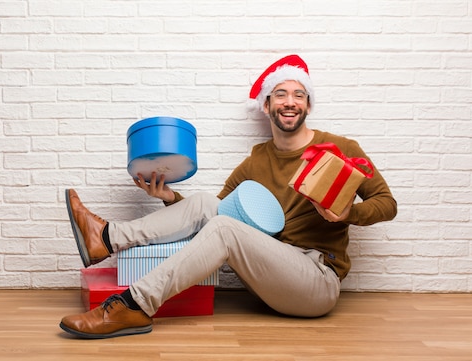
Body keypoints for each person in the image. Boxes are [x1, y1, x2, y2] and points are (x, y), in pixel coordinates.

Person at [59, 54, 397, 339]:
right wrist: (169, 197)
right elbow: (209, 216)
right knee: (209, 203)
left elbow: (387, 204)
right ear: (267, 106)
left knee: (223, 227)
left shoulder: (341, 149)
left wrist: (346, 215)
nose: (289, 102)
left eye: (298, 94)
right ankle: (105, 238)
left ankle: (134, 305)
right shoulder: (257, 159)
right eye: (280, 94)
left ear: (308, 104)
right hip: (271, 270)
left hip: (315, 282)